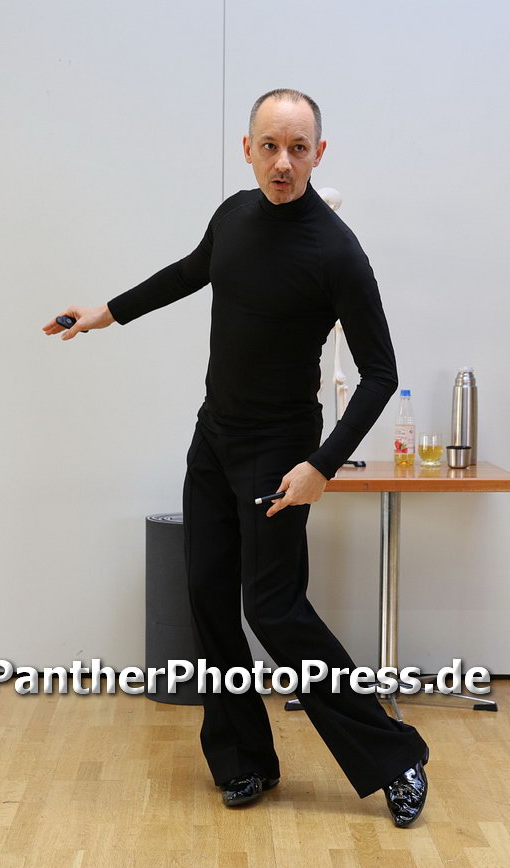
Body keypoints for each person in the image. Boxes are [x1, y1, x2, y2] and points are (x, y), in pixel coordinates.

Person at [42, 88, 429, 827]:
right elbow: (191, 270)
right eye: (270, 147)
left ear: (319, 154)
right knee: (208, 596)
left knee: (274, 610)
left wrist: (321, 465)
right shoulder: (233, 216)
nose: (283, 163)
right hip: (215, 437)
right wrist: (107, 312)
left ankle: (393, 755)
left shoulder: (337, 252)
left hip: (281, 452)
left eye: (298, 149)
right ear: (246, 148)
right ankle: (244, 758)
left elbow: (380, 373)